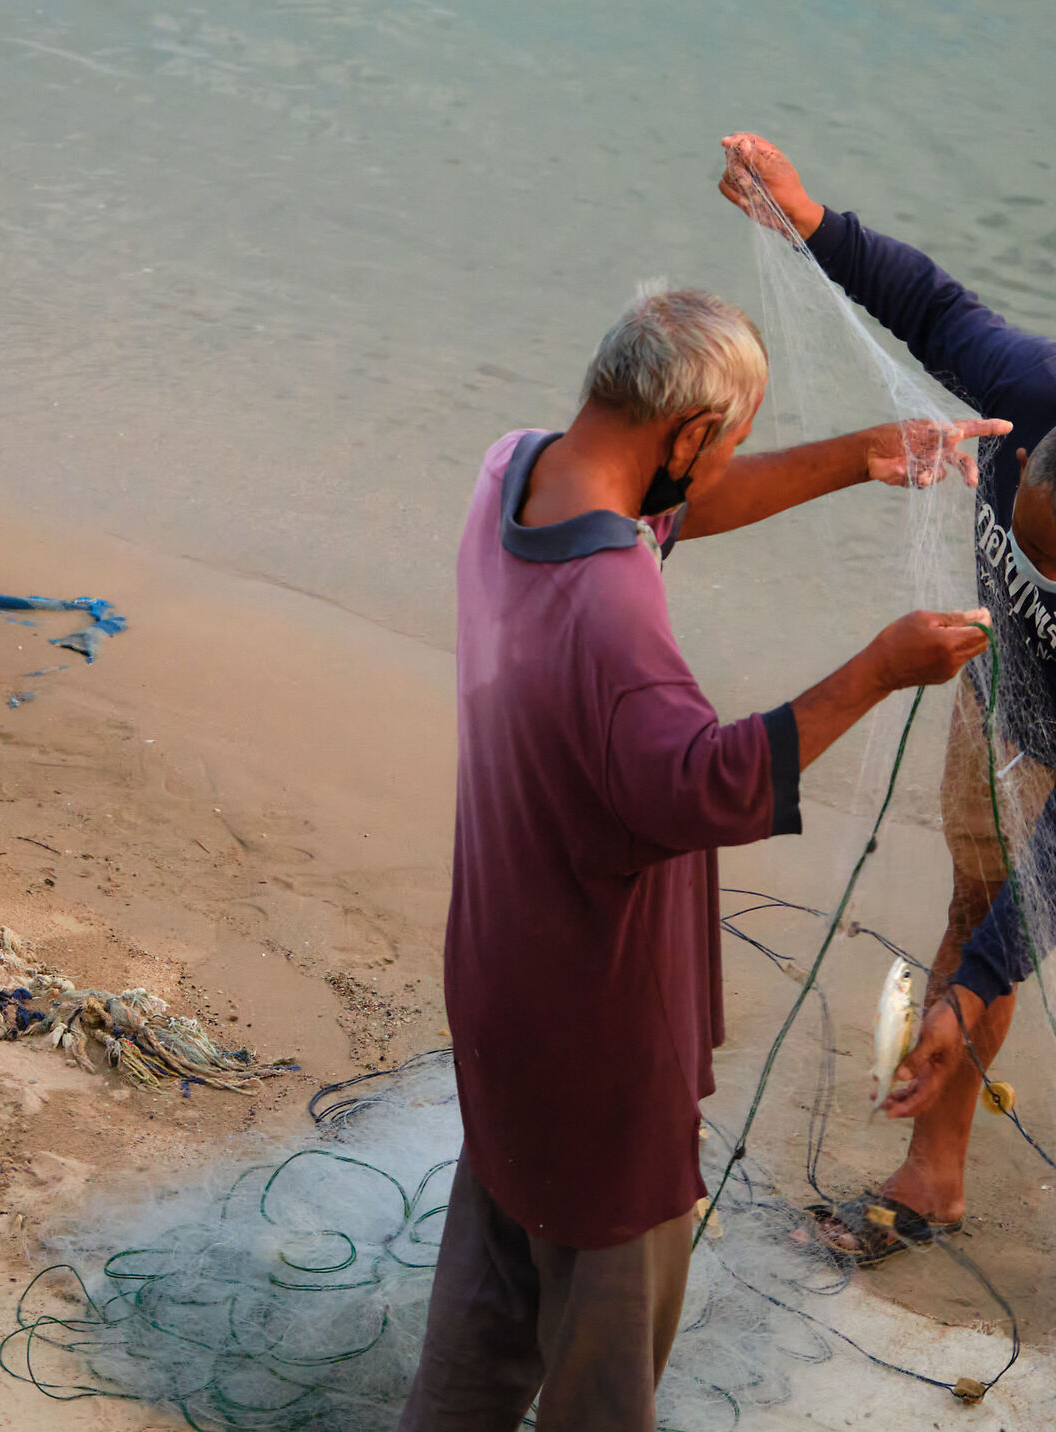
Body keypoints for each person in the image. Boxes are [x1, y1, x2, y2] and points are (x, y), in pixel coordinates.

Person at [398, 282, 1003, 1432]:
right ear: (686, 435)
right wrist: (882, 668)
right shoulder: (611, 607)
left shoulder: (513, 473)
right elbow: (707, 785)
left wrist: (862, 457)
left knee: (485, 1311)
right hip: (599, 1043)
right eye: (725, 442)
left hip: (498, 987)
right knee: (604, 1376)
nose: (721, 464)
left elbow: (670, 506)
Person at [719, 134, 1056, 1371]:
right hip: (1008, 697)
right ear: (1029, 460)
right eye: (1028, 545)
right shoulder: (1039, 392)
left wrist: (968, 999)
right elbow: (927, 302)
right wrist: (809, 215)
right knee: (970, 913)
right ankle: (933, 1174)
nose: (1043, 574)